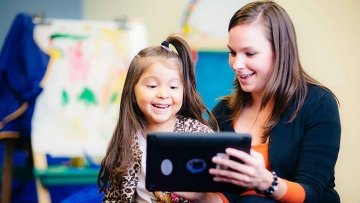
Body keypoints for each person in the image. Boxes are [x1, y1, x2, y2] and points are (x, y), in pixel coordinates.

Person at [200, 1, 341, 203]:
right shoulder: (224, 111)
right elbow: (225, 194)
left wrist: (266, 182)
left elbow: (312, 194)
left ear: (281, 52)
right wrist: (200, 197)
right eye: (232, 52)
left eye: (249, 53)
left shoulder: (318, 103)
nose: (237, 64)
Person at [97, 34, 218, 203]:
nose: (163, 94)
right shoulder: (128, 137)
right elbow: (115, 196)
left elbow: (216, 195)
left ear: (184, 90)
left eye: (174, 86)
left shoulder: (199, 136)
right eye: (152, 86)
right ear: (132, 91)